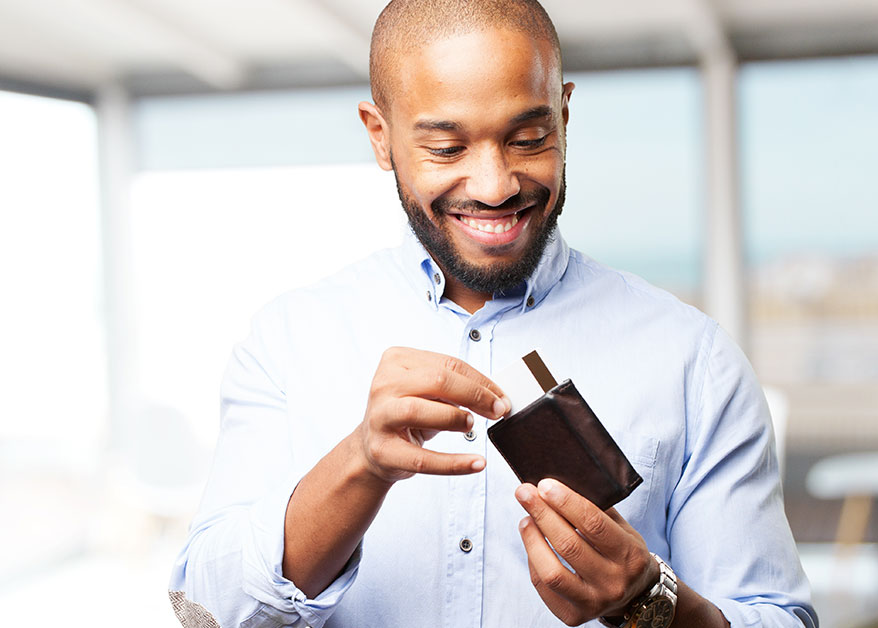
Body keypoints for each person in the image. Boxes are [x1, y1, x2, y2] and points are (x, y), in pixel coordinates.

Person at [169, 1, 816, 627]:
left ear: (564, 116)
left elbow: (778, 619)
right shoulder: (288, 342)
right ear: (380, 136)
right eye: (446, 149)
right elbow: (210, 614)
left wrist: (653, 605)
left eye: (529, 138)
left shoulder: (692, 361)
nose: (495, 185)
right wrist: (358, 465)